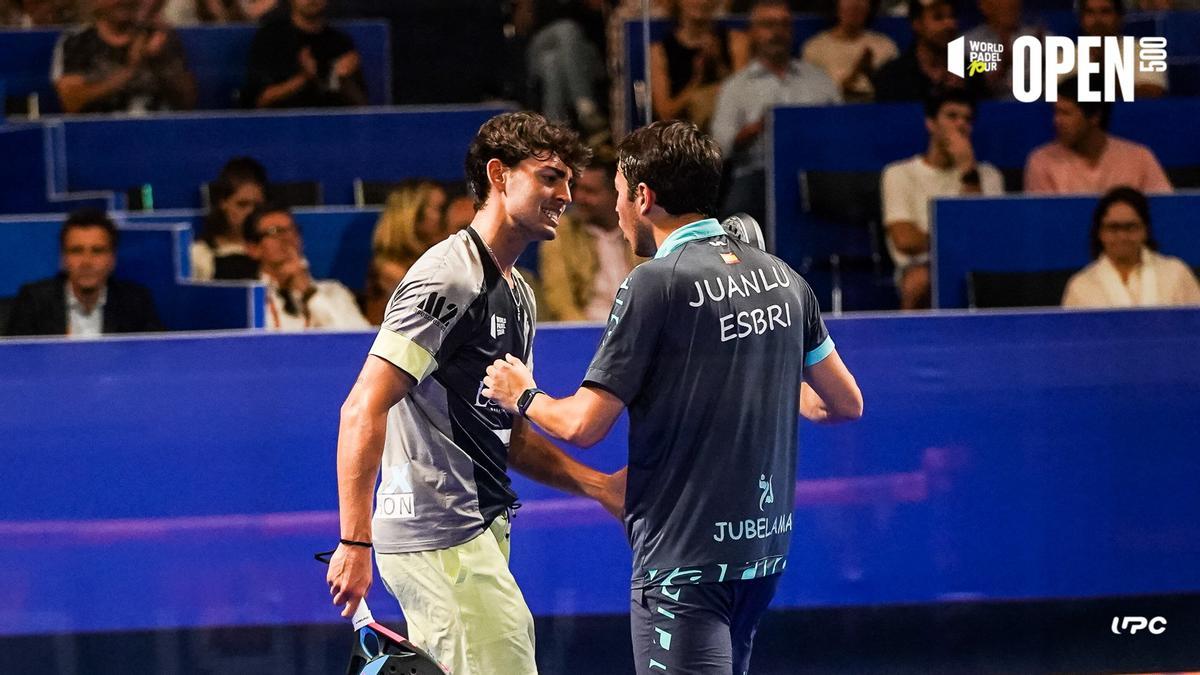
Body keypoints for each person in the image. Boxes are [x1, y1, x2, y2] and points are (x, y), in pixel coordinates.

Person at [482, 120, 864, 675]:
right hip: (760, 560)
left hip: (684, 569)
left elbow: (583, 426)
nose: (616, 211)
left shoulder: (654, 282)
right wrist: (768, 375)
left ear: (644, 197)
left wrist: (523, 393)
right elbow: (843, 402)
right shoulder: (784, 278)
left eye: (618, 194)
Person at [325, 112, 622, 675]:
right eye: (549, 178)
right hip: (439, 536)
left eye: (567, 180)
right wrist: (353, 542)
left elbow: (511, 440)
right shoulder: (447, 277)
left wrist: (600, 486)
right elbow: (362, 406)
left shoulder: (519, 295)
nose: (564, 194)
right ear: (499, 175)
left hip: (477, 530)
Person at [711, 0, 841, 225]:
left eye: (783, 25)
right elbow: (720, 148)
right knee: (736, 214)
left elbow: (843, 130)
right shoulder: (736, 87)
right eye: (768, 25)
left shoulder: (819, 81)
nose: (777, 32)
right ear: (752, 33)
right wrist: (755, 129)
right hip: (757, 173)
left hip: (814, 172)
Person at [881, 91, 1004, 309]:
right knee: (919, 280)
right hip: (921, 267)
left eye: (967, 119)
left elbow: (985, 234)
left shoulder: (987, 175)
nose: (960, 125)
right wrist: (958, 243)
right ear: (931, 123)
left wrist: (968, 171)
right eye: (952, 116)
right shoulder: (899, 173)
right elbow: (905, 240)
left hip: (978, 266)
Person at [7, 209, 163, 337]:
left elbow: (156, 359)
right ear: (63, 259)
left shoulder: (135, 302)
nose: (87, 262)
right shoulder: (34, 301)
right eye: (76, 251)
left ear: (112, 259)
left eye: (98, 251)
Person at [1024, 79, 1172, 195]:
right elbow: (1043, 222)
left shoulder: (1140, 158)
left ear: (1095, 116)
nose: (1056, 121)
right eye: (1056, 112)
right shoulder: (1041, 161)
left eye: (1066, 113)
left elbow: (1166, 211)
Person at [1062, 187, 1200, 308]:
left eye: (1131, 227)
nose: (1122, 236)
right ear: (1100, 233)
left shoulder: (1176, 272)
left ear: (1145, 230)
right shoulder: (1081, 286)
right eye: (1113, 228)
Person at [52, 0, 197, 113]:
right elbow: (72, 102)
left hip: (160, 134)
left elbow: (188, 102)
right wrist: (130, 70)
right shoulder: (77, 42)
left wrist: (160, 61)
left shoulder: (159, 36)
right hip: (99, 137)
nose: (124, 1)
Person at [539, 160, 640, 321]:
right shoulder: (562, 232)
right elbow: (560, 301)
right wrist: (584, 335)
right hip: (587, 331)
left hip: (635, 328)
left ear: (616, 194)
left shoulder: (640, 230)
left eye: (590, 191)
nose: (578, 197)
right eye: (577, 188)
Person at [243, 202, 369, 330]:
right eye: (275, 232)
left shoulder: (333, 292)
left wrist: (308, 293)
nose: (287, 237)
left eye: (292, 230)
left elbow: (357, 337)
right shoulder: (249, 301)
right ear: (253, 248)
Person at [243, 0, 367, 109]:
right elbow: (261, 100)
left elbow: (362, 107)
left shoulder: (340, 43)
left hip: (330, 128)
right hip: (282, 127)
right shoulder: (270, 38)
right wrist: (304, 78)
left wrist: (345, 81)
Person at [362, 180, 448, 324]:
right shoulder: (389, 269)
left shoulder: (435, 259)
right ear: (413, 216)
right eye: (439, 209)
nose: (445, 218)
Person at [650, 0, 748, 127]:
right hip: (683, 135)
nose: (702, 2)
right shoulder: (659, 50)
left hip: (729, 130)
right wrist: (696, 80)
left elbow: (745, 98)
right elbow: (665, 113)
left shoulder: (736, 40)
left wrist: (717, 63)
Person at [873, 0, 988, 102]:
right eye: (938, 17)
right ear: (917, 24)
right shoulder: (894, 77)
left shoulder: (971, 71)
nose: (949, 24)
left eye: (952, 16)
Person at [800, 0, 898, 102]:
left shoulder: (886, 46)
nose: (855, 4)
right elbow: (812, 95)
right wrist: (853, 74)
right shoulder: (814, 48)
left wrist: (871, 75)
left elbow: (894, 93)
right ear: (836, 5)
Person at [191, 157, 267, 281]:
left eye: (257, 205)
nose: (250, 212)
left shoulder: (275, 246)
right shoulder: (200, 253)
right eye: (242, 204)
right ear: (223, 203)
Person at [1076, 0, 1165, 98]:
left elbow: (1154, 93)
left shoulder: (1146, 51)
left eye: (1105, 12)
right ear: (1081, 19)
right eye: (1090, 12)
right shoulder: (1065, 56)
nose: (1098, 19)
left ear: (1119, 17)